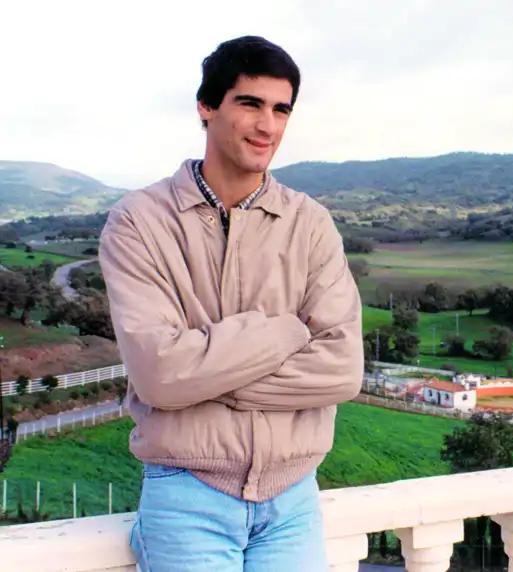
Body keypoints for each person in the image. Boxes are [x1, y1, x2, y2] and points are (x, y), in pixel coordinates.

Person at [99, 35, 364, 572]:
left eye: (280, 109)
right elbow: (159, 376)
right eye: (250, 103)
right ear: (207, 106)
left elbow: (342, 370)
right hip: (186, 494)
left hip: (294, 499)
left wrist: (208, 374)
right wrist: (288, 333)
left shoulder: (310, 223)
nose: (267, 125)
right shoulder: (139, 222)